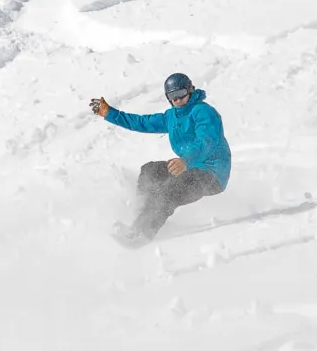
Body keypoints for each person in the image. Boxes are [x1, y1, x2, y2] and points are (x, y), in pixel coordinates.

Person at [89, 73, 231, 245]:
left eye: (181, 94)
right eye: (172, 96)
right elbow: (141, 122)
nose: (177, 100)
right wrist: (110, 113)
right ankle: (144, 216)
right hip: (188, 166)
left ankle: (142, 233)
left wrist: (186, 160)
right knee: (150, 170)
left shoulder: (203, 112)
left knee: (170, 189)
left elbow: (207, 142)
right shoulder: (171, 117)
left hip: (212, 173)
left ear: (190, 90)